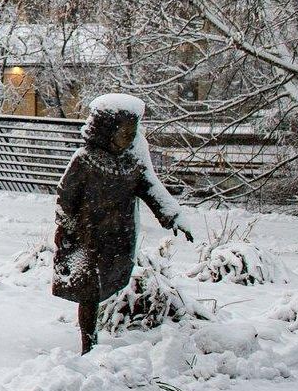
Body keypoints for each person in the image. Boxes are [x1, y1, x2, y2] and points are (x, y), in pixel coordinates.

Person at [51, 93, 194, 354]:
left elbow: (150, 187)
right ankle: (88, 342)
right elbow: (65, 197)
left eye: (132, 131)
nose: (128, 137)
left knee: (108, 283)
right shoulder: (85, 160)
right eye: (123, 131)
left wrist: (173, 216)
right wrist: (67, 229)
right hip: (88, 238)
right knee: (90, 292)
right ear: (105, 130)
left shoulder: (133, 159)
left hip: (118, 236)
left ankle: (95, 337)